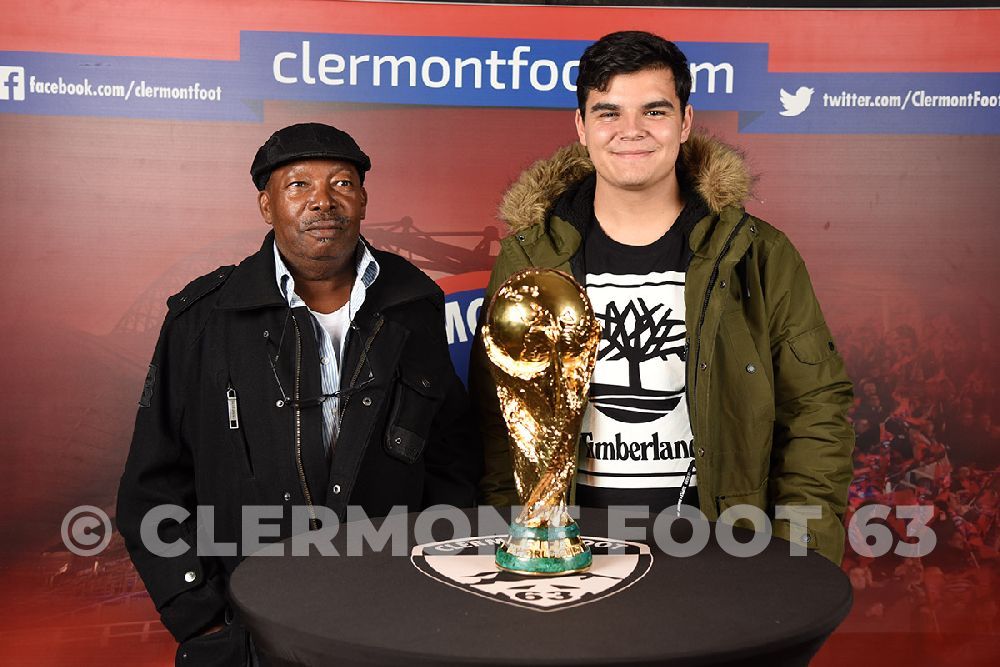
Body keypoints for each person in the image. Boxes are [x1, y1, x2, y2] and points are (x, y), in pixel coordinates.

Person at [469, 31, 854, 564]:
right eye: (608, 112)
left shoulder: (756, 253)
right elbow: (498, 421)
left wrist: (796, 557)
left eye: (654, 110)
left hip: (723, 550)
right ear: (581, 126)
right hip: (571, 556)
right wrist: (512, 533)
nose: (631, 130)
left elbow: (815, 410)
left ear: (685, 122)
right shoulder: (530, 258)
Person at [117, 123, 481, 665]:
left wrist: (435, 580)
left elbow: (452, 459)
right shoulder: (204, 319)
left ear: (363, 200)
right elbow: (152, 485)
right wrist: (203, 618)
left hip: (392, 619)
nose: (323, 201)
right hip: (250, 625)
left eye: (342, 183)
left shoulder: (413, 305)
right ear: (267, 205)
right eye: (299, 185)